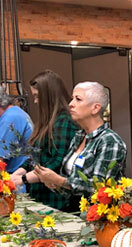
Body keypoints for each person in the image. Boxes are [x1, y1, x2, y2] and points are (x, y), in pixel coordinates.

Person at [33, 81, 126, 196]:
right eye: (72, 98)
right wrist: (54, 183)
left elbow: (99, 188)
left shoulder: (109, 141)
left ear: (95, 108)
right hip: (73, 209)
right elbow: (70, 180)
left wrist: (59, 181)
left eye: (78, 99)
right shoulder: (79, 136)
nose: (71, 104)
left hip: (96, 212)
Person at [12, 70, 79, 210]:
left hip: (55, 199)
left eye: (37, 96)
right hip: (40, 196)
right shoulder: (47, 122)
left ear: (49, 96)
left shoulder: (65, 121)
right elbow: (36, 155)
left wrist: (23, 179)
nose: (35, 101)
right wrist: (21, 170)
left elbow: (57, 161)